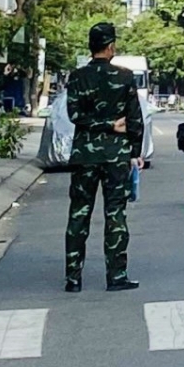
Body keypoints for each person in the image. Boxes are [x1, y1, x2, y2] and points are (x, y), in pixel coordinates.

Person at [64, 22, 144, 293]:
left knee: (78, 214)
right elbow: (134, 119)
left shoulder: (76, 77)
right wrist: (135, 151)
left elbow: (74, 115)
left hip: (84, 154)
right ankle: (116, 275)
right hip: (115, 156)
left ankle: (73, 278)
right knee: (115, 214)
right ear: (111, 46)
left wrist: (100, 124)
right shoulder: (124, 76)